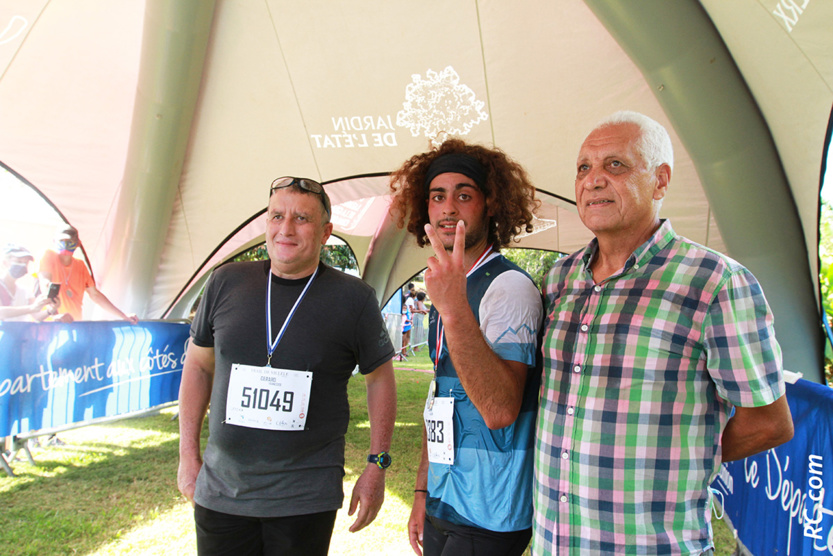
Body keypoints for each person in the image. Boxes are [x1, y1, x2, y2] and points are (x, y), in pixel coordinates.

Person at [534, 111, 795, 554]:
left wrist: (683, 461)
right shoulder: (560, 278)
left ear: (660, 180)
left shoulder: (715, 282)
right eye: (584, 167)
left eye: (614, 165)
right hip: (556, 544)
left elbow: (769, 422)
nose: (593, 180)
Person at [177, 176, 397, 556]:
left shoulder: (353, 299)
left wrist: (376, 465)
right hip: (222, 491)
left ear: (326, 231)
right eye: (277, 216)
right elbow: (197, 367)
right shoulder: (226, 282)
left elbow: (379, 379)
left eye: (302, 219)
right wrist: (187, 455)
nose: (286, 228)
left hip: (304, 497)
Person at [390, 139, 543, 555]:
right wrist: (422, 491)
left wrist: (454, 308)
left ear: (490, 204)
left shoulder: (507, 287)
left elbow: (499, 410)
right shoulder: (449, 283)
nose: (448, 208)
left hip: (489, 509)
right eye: (438, 196)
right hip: (445, 495)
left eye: (464, 195)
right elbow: (440, 397)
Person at [38, 225, 138, 323]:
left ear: (78, 243)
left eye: (70, 241)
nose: (65, 245)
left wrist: (123, 316)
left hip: (75, 324)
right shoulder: (48, 255)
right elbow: (45, 284)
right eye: (62, 241)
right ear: (54, 241)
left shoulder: (80, 265)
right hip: (52, 326)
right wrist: (55, 315)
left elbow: (95, 295)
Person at [0, 243, 59, 322]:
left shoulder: (25, 291)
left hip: (21, 333)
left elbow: (37, 316)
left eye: (25, 263)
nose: (22, 266)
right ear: (5, 263)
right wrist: (31, 308)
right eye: (19, 261)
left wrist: (50, 310)